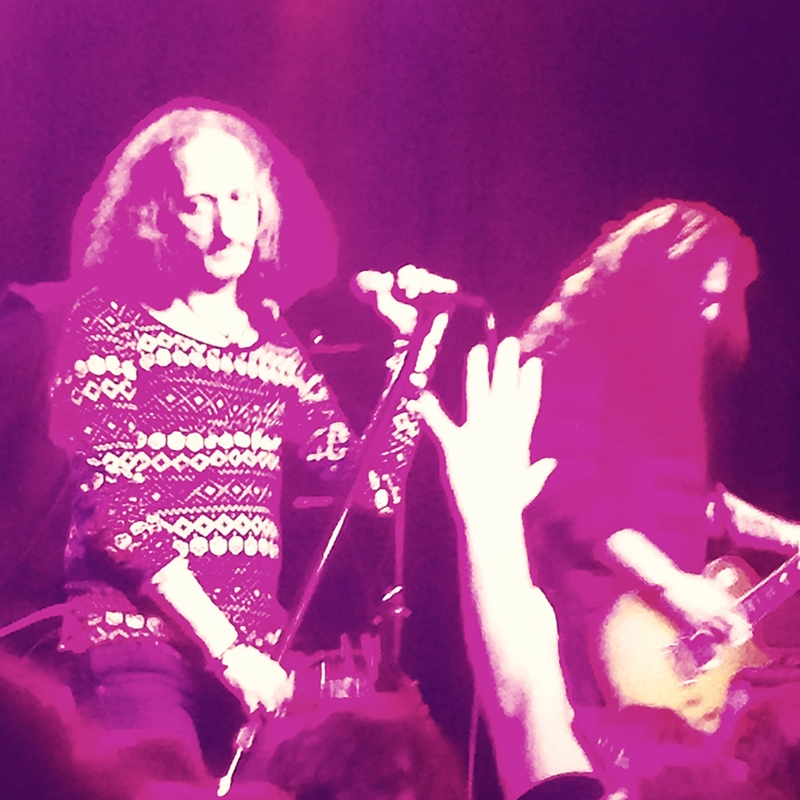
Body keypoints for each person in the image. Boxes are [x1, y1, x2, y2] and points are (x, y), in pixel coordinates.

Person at [49, 98, 456, 788]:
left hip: (248, 668)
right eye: (199, 203)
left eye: (239, 198)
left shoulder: (272, 342)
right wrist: (227, 648)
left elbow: (372, 489)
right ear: (157, 216)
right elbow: (119, 518)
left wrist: (416, 347)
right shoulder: (110, 323)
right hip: (138, 644)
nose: (226, 225)